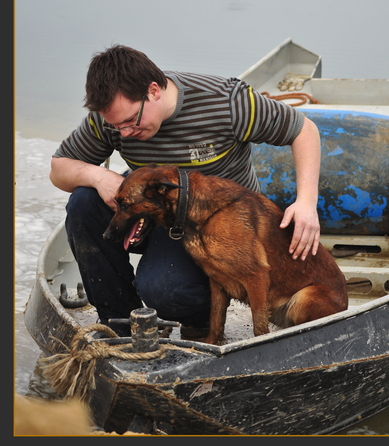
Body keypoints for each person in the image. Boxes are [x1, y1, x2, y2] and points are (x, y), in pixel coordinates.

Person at [50, 45, 321, 339]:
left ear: (154, 91)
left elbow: (303, 131)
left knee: (169, 292)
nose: (124, 133)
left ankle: (199, 317)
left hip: (220, 225)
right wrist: (98, 175)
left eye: (130, 121)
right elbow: (58, 168)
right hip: (155, 214)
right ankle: (121, 323)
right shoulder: (113, 117)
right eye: (115, 126)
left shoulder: (227, 102)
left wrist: (306, 202)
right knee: (83, 203)